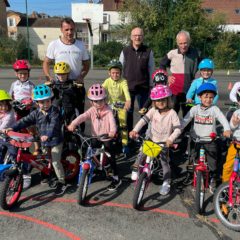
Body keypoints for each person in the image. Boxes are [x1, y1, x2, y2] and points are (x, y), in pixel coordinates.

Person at [3, 84, 67, 195]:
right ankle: (49, 174)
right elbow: (24, 121)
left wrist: (47, 134)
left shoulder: (54, 112)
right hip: (44, 141)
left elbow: (53, 124)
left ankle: (62, 182)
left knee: (55, 161)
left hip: (55, 140)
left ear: (51, 100)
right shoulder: (36, 113)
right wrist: (11, 128)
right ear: (37, 103)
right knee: (45, 158)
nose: (45, 104)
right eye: (42, 102)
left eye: (48, 101)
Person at [67, 84, 122, 191]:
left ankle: (116, 178)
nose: (98, 103)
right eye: (95, 101)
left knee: (111, 157)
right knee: (88, 151)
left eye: (101, 100)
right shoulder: (92, 110)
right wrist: (73, 124)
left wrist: (112, 132)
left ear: (105, 99)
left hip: (107, 137)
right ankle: (94, 168)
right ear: (91, 102)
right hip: (95, 137)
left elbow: (112, 122)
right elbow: (82, 117)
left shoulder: (108, 110)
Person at [129, 85, 181, 195]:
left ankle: (166, 182)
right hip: (152, 139)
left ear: (168, 100)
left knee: (164, 163)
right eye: (157, 100)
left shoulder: (172, 113)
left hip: (164, 142)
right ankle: (136, 168)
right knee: (141, 153)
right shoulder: (153, 111)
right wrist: (135, 130)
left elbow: (177, 129)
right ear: (154, 102)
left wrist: (170, 139)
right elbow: (143, 121)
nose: (160, 102)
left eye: (163, 100)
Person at [181, 83, 231, 193]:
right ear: (200, 97)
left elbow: (223, 120)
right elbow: (185, 120)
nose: (208, 99)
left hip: (210, 140)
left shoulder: (214, 109)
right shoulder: (195, 109)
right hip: (197, 140)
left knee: (213, 163)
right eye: (206, 96)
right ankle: (195, 178)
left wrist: (227, 129)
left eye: (211, 97)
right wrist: (178, 129)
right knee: (194, 160)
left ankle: (212, 179)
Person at [43, 17, 90, 131]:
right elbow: (46, 63)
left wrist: (81, 76)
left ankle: (79, 140)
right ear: (61, 30)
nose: (69, 32)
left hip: (75, 85)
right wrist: (49, 77)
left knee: (78, 113)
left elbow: (87, 64)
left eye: (72, 29)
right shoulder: (54, 44)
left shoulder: (80, 45)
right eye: (67, 29)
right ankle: (59, 138)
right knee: (57, 112)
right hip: (59, 85)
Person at [119, 27, 155, 133]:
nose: (137, 37)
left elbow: (151, 69)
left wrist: (152, 86)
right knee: (128, 113)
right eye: (135, 35)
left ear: (143, 37)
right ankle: (129, 135)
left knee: (144, 113)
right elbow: (120, 68)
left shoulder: (148, 51)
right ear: (131, 37)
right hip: (128, 88)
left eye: (139, 35)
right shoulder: (125, 51)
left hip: (143, 88)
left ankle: (142, 136)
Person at [159, 30, 199, 116]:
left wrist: (197, 78)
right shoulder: (172, 53)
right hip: (174, 91)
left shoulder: (196, 53)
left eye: (185, 43)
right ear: (177, 43)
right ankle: (172, 129)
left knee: (188, 113)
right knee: (172, 113)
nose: (183, 46)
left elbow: (203, 67)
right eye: (180, 43)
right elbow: (162, 64)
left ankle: (187, 130)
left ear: (189, 42)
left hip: (189, 90)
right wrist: (166, 77)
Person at [10, 59, 39, 155]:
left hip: (28, 110)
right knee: (16, 128)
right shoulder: (14, 84)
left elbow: (35, 98)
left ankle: (37, 148)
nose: (23, 76)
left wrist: (31, 101)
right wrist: (11, 101)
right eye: (21, 74)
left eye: (25, 74)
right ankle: (17, 146)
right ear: (16, 74)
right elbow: (10, 96)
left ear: (28, 74)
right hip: (17, 110)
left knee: (31, 130)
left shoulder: (31, 85)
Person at [102, 59, 131, 153]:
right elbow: (101, 89)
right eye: (113, 73)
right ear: (109, 73)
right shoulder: (107, 81)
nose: (115, 75)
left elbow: (126, 92)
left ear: (121, 72)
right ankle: (106, 141)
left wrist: (128, 101)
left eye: (117, 73)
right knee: (107, 123)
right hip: (110, 106)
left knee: (123, 125)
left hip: (121, 106)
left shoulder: (123, 81)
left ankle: (125, 143)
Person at [222, 89, 240, 182]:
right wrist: (234, 123)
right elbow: (231, 127)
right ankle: (224, 187)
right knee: (228, 166)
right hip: (236, 144)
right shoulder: (236, 113)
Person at [0, 90, 17, 163]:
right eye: (0, 105)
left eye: (5, 105)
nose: (3, 108)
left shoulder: (10, 113)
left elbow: (3, 126)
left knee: (13, 154)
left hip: (11, 137)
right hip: (2, 137)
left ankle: (14, 167)